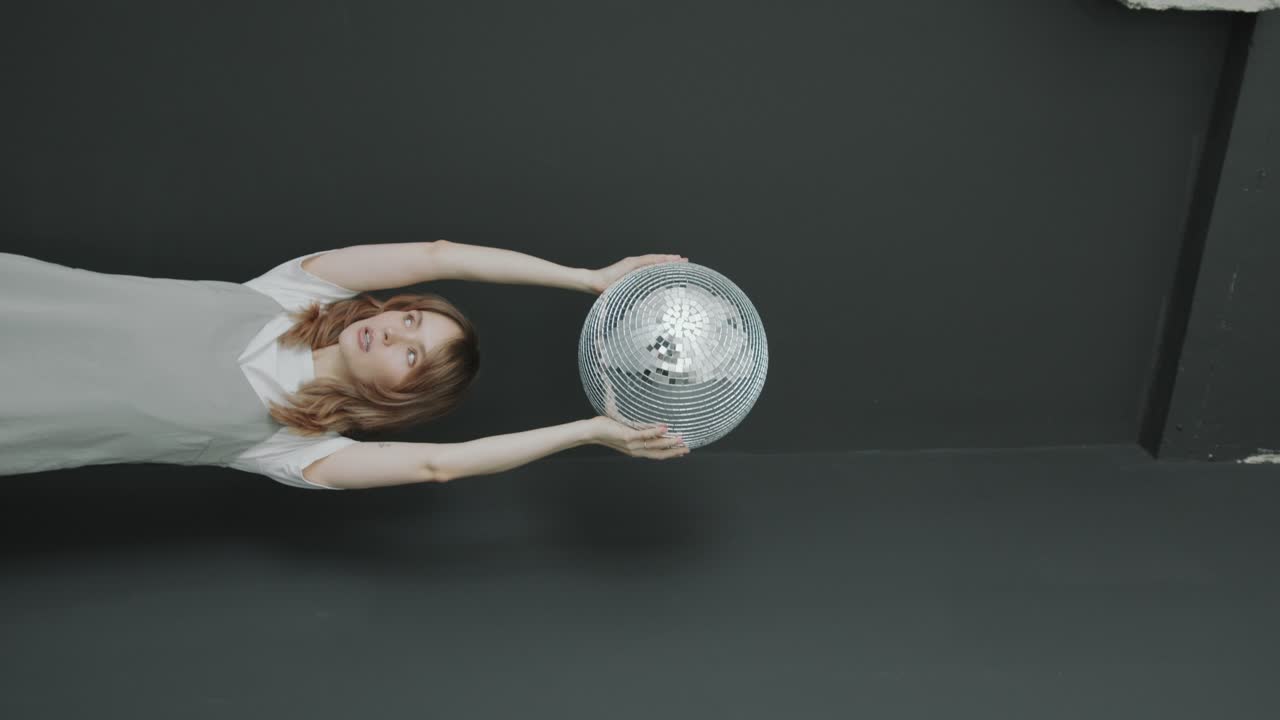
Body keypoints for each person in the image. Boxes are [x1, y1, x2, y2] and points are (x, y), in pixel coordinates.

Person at [0, 242, 690, 490]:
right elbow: (438, 254)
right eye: (409, 320)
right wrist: (588, 279)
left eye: (411, 356)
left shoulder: (292, 446)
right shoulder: (290, 290)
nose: (391, 332)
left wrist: (587, 433)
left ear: (403, 398)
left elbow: (438, 466)